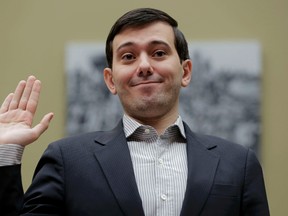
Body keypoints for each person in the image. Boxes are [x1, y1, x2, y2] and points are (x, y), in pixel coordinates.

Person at [0, 7, 269, 216]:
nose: (144, 66)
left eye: (159, 53)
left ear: (185, 71)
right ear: (110, 80)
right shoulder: (67, 161)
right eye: (128, 56)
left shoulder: (239, 165)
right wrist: (5, 153)